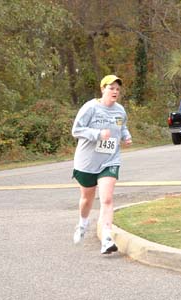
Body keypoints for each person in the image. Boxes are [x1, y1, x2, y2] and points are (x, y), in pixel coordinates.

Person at [71, 74, 132, 254]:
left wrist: (126, 136)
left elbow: (122, 126)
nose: (115, 91)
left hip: (109, 160)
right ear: (102, 89)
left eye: (117, 89)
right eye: (111, 88)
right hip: (87, 162)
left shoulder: (120, 110)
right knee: (86, 199)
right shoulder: (90, 107)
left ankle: (107, 238)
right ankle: (82, 223)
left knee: (106, 199)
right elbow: (76, 130)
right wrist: (97, 134)